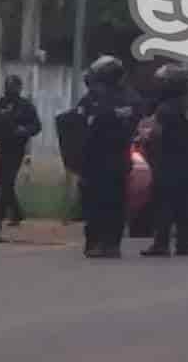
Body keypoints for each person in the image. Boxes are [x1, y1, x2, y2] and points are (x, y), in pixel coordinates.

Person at [77, 56, 141, 259]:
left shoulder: (126, 98)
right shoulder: (93, 97)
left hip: (113, 156)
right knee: (95, 201)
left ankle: (109, 243)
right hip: (95, 158)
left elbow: (128, 117)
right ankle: (96, 242)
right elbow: (77, 123)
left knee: (111, 201)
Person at [142, 64, 188, 257]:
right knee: (185, 202)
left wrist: (147, 137)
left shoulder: (165, 108)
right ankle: (184, 244)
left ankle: (161, 243)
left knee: (164, 202)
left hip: (168, 159)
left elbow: (157, 134)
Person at [0, 75, 42, 230]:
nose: (10, 89)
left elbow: (37, 126)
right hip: (1, 146)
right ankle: (16, 214)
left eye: (13, 86)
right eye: (8, 86)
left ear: (19, 88)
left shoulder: (25, 106)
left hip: (16, 148)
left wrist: (24, 130)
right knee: (3, 182)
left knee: (8, 180)